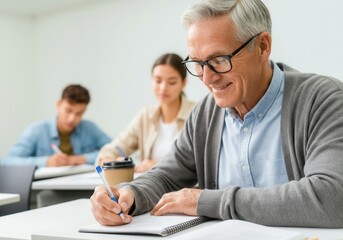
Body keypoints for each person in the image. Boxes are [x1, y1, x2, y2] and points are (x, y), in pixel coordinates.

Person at [90, 0, 343, 228]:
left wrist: (208, 201)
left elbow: (333, 198)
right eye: (198, 64)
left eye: (219, 60)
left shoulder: (323, 99)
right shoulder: (205, 114)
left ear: (263, 46)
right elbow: (167, 176)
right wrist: (128, 195)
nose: (207, 78)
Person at [96, 53, 195, 173]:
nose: (163, 88)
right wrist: (110, 161)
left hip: (185, 188)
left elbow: (199, 162)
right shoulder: (146, 116)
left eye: (172, 82)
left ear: (183, 83)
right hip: (151, 188)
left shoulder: (196, 113)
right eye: (158, 81)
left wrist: (159, 165)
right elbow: (111, 150)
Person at [1, 84, 111, 168]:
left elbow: (116, 150)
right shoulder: (37, 130)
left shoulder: (89, 128)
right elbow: (7, 161)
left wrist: (80, 159)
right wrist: (46, 162)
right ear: (58, 105)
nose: (72, 118)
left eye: (79, 113)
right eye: (68, 111)